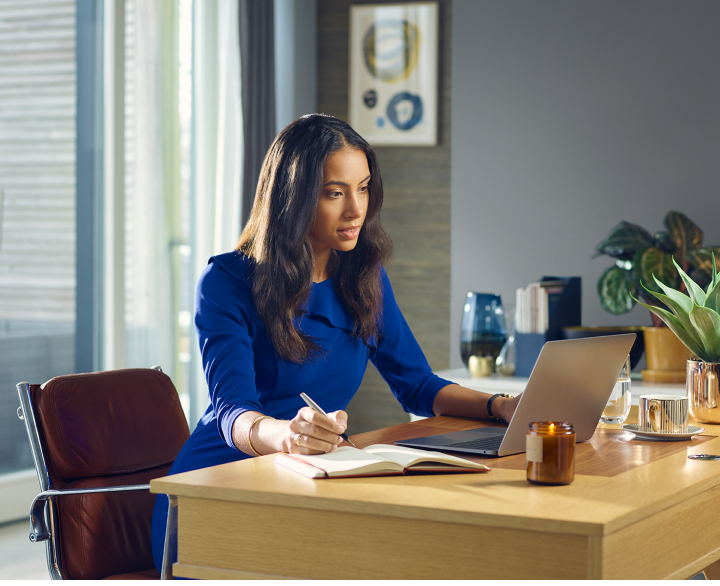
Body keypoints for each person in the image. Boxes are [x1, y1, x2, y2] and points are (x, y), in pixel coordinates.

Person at [151, 114, 521, 570]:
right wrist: (289, 435)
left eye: (363, 188)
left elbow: (417, 385)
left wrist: (501, 407)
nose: (355, 210)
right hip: (215, 492)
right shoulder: (227, 280)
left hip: (309, 480)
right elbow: (232, 414)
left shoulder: (365, 276)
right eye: (334, 193)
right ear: (293, 197)